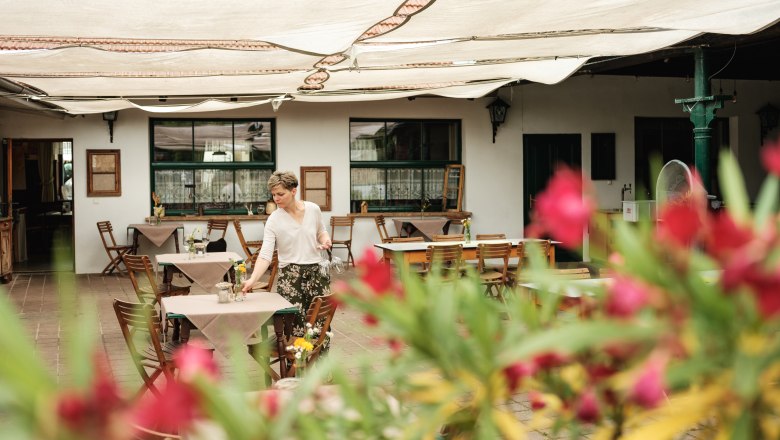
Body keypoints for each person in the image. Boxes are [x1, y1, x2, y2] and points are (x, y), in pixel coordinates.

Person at [242, 171, 332, 339]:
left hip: (316, 274)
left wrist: (326, 240)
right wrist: (252, 280)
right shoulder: (274, 220)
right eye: (274, 194)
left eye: (280, 194)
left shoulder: (313, 209)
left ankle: (319, 363)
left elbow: (321, 231)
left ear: (293, 191)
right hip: (290, 278)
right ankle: (296, 364)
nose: (276, 198)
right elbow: (265, 255)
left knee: (320, 324)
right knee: (293, 327)